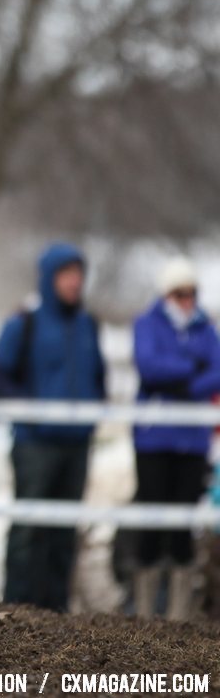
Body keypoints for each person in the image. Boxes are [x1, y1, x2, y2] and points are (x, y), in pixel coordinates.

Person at [0, 242, 106, 612]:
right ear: (49, 278)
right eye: (67, 274)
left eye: (79, 274)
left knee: (64, 532)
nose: (75, 282)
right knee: (28, 530)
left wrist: (91, 415)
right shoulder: (25, 323)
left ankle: (56, 613)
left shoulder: (88, 325)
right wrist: (32, 412)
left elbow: (98, 376)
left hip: (76, 444)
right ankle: (17, 610)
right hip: (35, 445)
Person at [129, 257, 220, 620]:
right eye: (179, 293)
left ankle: (179, 616)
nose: (187, 300)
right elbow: (148, 365)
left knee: (183, 524)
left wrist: (180, 379)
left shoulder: (206, 329)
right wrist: (190, 370)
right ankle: (145, 611)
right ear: (167, 294)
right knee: (151, 520)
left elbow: (216, 370)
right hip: (154, 439)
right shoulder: (147, 324)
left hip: (192, 439)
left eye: (192, 293)